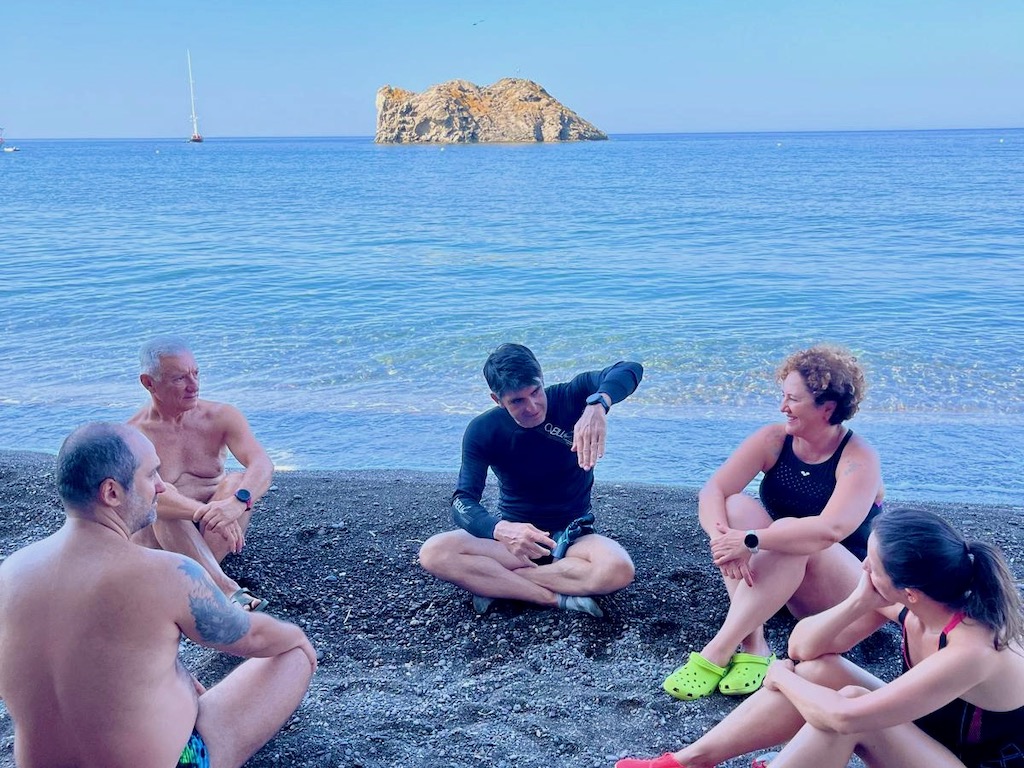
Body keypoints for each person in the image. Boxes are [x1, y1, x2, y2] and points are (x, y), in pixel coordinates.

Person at [0, 423, 316, 768]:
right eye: (151, 475)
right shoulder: (168, 573)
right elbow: (251, 636)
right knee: (295, 655)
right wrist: (297, 637)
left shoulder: (10, 573)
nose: (162, 486)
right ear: (111, 493)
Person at [616, 508, 1024, 768]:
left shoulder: (973, 648)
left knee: (847, 707)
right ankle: (687, 762)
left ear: (910, 590)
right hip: (932, 738)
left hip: (971, 762)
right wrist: (860, 600)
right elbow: (802, 650)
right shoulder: (919, 604)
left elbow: (845, 718)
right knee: (818, 671)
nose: (862, 563)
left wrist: (779, 677)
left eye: (872, 564)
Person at [664, 345, 884, 700]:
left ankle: (717, 650)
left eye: (793, 400)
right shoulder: (774, 439)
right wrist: (723, 539)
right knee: (735, 506)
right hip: (781, 575)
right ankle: (754, 643)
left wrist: (751, 542)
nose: (783, 407)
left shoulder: (859, 458)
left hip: (846, 597)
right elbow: (714, 491)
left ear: (827, 408)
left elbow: (830, 531)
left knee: (789, 533)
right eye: (784, 396)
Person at [418, 343, 642, 618]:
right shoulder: (483, 430)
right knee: (434, 553)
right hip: (514, 542)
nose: (532, 406)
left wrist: (598, 405)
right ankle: (555, 598)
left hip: (573, 538)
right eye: (517, 401)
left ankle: (498, 583)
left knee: (617, 569)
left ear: (542, 380)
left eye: (535, 392)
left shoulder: (571, 397)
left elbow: (630, 369)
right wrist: (500, 530)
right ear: (497, 400)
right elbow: (462, 501)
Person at [128, 336, 275, 611]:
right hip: (160, 537)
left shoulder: (221, 416)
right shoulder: (133, 435)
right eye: (179, 379)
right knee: (160, 495)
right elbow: (143, 496)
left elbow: (262, 464)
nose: (194, 386)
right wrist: (202, 512)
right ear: (149, 383)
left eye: (195, 374)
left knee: (235, 481)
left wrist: (237, 503)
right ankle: (224, 587)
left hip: (214, 532)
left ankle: (193, 582)